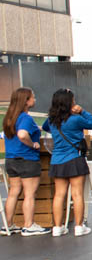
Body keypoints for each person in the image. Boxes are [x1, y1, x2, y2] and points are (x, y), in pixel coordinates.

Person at [42, 88, 92, 237]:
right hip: (74, 158)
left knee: (59, 195)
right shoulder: (75, 119)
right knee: (77, 194)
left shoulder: (51, 121)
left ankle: (57, 227)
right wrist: (82, 111)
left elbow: (44, 127)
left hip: (57, 160)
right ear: (70, 103)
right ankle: (79, 227)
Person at [2, 87, 48, 236]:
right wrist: (33, 144)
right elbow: (22, 134)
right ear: (26, 101)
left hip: (11, 160)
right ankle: (29, 225)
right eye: (33, 97)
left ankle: (8, 225)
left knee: (13, 192)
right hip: (27, 159)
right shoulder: (26, 118)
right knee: (29, 193)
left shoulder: (10, 117)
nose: (35, 99)